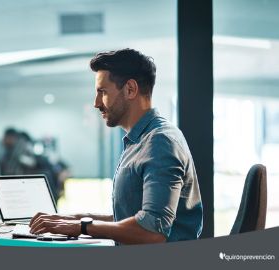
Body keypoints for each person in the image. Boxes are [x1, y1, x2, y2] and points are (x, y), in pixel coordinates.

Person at [29, 49, 203, 244]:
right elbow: (131, 220)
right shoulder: (139, 141)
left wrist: (82, 227)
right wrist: (72, 219)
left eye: (102, 92)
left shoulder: (160, 142)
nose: (96, 103)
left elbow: (152, 231)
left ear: (130, 89)